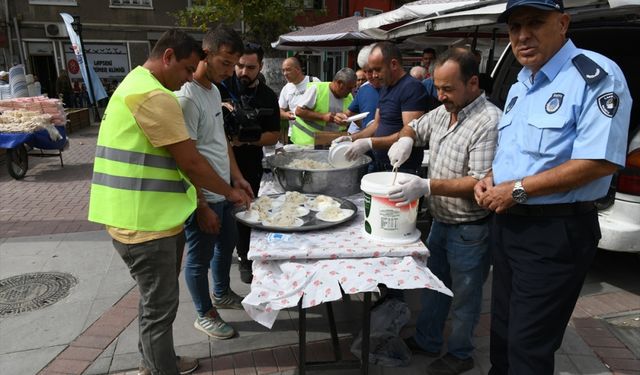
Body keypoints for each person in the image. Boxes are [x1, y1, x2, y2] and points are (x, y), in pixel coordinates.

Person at [474, 1, 632, 374]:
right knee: (503, 337)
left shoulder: (596, 76)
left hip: (555, 232)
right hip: (510, 227)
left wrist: (516, 190)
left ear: (562, 24)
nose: (523, 35)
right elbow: (517, 154)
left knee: (529, 348)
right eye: (515, 27)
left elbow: (600, 160)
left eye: (535, 23)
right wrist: (491, 178)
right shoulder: (521, 83)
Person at [88, 29, 251, 375]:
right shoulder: (154, 96)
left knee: (154, 307)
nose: (189, 78)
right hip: (144, 224)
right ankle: (162, 369)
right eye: (187, 70)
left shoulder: (136, 83)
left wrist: (229, 184)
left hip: (141, 218)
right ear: (167, 57)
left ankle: (156, 362)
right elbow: (190, 161)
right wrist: (229, 192)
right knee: (159, 309)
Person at [387, 49, 501, 375]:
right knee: (434, 285)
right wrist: (406, 139)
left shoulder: (487, 122)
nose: (440, 95)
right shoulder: (443, 111)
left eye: (448, 88)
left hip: (470, 228)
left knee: (465, 296)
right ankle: (428, 339)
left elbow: (479, 182)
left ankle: (461, 352)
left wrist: (426, 187)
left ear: (473, 82)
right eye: (437, 88)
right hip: (441, 221)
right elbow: (416, 127)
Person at [175, 25, 253, 341]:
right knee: (199, 257)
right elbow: (187, 158)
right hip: (204, 195)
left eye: (233, 64)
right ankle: (204, 313)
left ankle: (221, 293)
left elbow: (220, 140)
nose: (229, 71)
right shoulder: (186, 96)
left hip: (224, 190)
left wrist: (237, 176)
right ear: (205, 54)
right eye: (224, 62)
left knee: (227, 244)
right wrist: (201, 203)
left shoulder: (215, 91)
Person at [216, 42, 280, 284]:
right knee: (222, 216)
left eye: (250, 67)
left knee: (246, 211)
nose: (243, 72)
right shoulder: (220, 88)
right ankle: (223, 257)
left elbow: (274, 134)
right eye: (240, 66)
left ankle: (245, 257)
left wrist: (246, 141)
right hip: (219, 164)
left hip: (250, 163)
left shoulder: (267, 96)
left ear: (260, 66)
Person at [335, 42, 427, 174]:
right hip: (381, 164)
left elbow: (410, 132)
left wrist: (369, 143)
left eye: (378, 69)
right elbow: (376, 125)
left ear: (393, 64)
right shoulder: (386, 87)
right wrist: (352, 138)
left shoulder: (411, 87)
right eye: (371, 70)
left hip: (402, 167)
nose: (374, 75)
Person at [292, 68, 356, 145]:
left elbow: (353, 119)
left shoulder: (349, 97)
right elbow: (299, 111)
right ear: (339, 83)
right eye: (349, 88)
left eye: (353, 87)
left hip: (329, 144)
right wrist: (323, 117)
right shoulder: (317, 89)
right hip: (306, 142)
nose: (351, 91)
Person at [278, 57, 320, 142]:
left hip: (314, 135)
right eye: (283, 70)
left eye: (288, 70)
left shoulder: (314, 82)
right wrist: (286, 115)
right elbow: (279, 110)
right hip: (294, 136)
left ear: (298, 69)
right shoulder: (287, 88)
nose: (285, 73)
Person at [345, 64, 382, 133]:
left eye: (370, 71)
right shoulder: (363, 90)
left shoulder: (396, 89)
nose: (368, 76)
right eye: (365, 72)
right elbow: (349, 113)